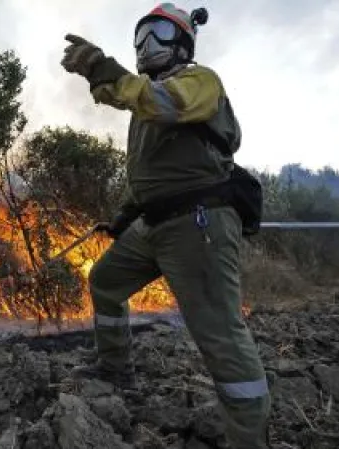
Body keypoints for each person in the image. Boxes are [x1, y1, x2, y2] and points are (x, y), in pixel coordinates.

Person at [60, 3, 272, 448]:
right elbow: (152, 173)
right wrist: (124, 215)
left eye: (157, 33)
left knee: (219, 336)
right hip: (154, 224)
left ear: (182, 42)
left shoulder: (199, 82)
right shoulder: (145, 111)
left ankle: (248, 439)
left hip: (199, 224)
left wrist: (101, 67)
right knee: (105, 282)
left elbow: (156, 101)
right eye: (140, 36)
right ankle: (115, 370)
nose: (145, 45)